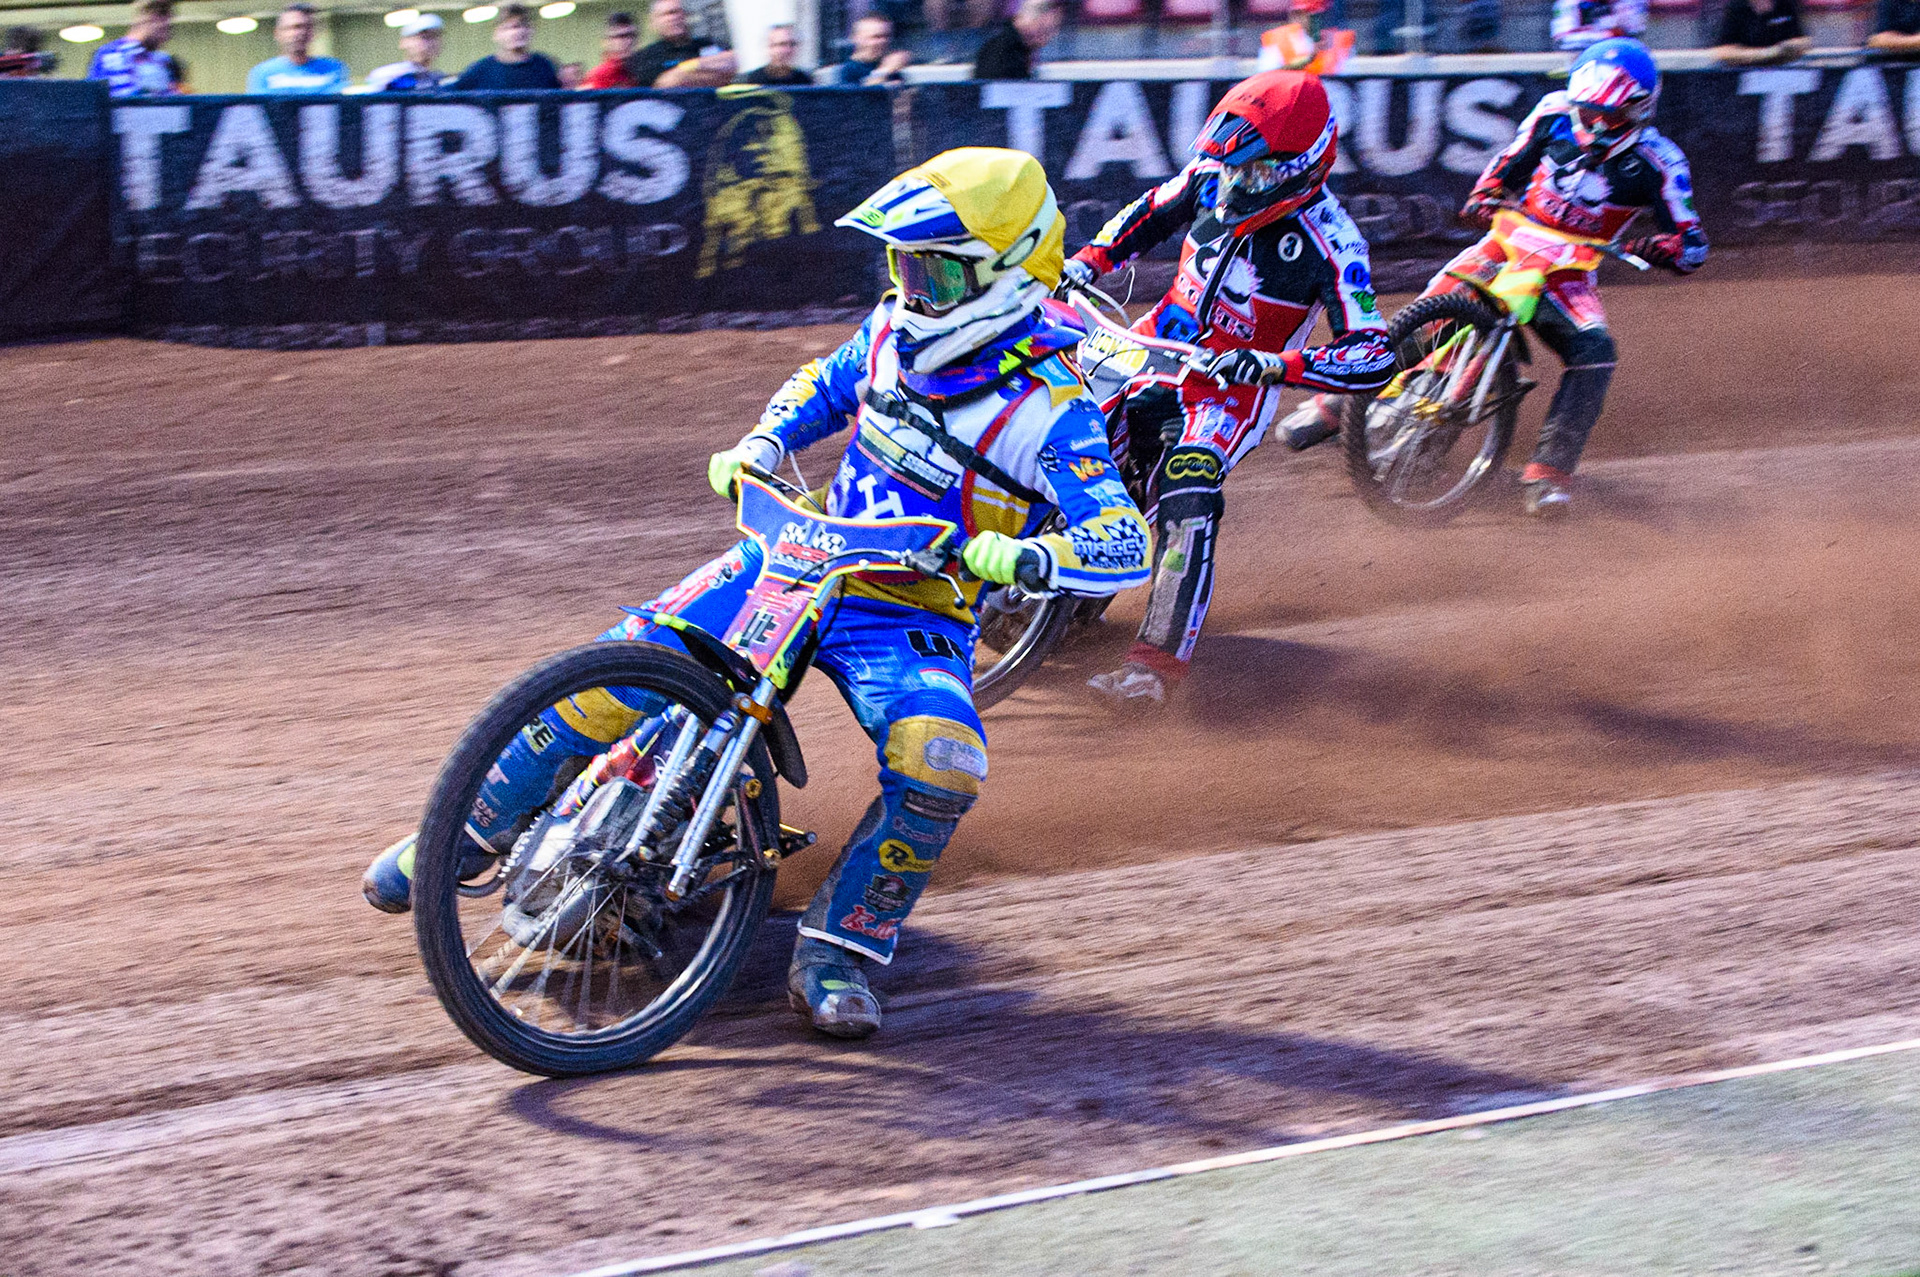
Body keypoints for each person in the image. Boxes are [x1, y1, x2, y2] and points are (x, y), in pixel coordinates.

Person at [362, 147, 1152, 1041]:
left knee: (943, 756)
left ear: (1003, 275)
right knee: (626, 660)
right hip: (803, 554)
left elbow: (1123, 537)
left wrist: (1031, 558)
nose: (911, 289)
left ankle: (840, 947)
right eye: (903, 266)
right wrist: (764, 442)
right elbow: (823, 383)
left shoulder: (1051, 406)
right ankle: (458, 838)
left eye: (933, 272)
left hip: (912, 609)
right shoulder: (891, 333)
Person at [1056, 71, 1394, 709]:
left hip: (1229, 391)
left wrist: (1274, 365)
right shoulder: (1214, 176)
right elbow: (1149, 212)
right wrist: (1087, 263)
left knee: (1187, 490)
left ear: (1304, 165)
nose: (1237, 184)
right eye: (1233, 166)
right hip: (1150, 346)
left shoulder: (1334, 241)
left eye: (1257, 172)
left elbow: (1373, 355)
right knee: (1056, 425)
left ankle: (1153, 669)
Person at [1421, 37, 1705, 516]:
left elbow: (1693, 244)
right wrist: (1485, 193)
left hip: (1567, 273)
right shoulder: (1553, 113)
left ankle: (1549, 474)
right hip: (1508, 243)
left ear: (1640, 110)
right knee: (1435, 309)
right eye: (1587, 112)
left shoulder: (1661, 161)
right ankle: (1341, 405)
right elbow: (1507, 164)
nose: (1595, 125)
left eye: (1609, 116)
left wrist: (1660, 248)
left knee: (1596, 352)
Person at [626, 0, 735, 88]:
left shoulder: (707, 44)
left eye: (678, 12)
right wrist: (713, 68)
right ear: (654, 22)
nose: (673, 18)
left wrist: (684, 69)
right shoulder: (646, 56)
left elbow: (734, 62)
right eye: (666, 14)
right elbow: (669, 83)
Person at [246, 3, 350, 93]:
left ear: (313, 32)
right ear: (277, 33)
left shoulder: (333, 69)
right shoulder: (263, 73)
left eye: (305, 27)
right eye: (291, 28)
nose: (298, 33)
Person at [453, 4, 562, 89]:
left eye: (523, 26)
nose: (518, 32)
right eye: (509, 27)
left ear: (531, 30)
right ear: (496, 34)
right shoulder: (479, 71)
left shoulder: (545, 66)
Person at [86, 0, 180, 97]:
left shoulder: (163, 60)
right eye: (164, 29)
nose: (166, 37)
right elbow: (95, 99)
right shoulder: (110, 54)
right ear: (146, 19)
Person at [972, 0, 1061, 79]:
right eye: (1047, 30)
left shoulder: (1022, 51)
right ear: (1039, 21)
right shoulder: (1003, 55)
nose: (1050, 37)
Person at [366, 13, 452, 91]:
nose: (431, 43)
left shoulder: (440, 80)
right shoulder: (387, 77)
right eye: (424, 37)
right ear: (404, 42)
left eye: (436, 37)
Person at [1712, 0, 1810, 64]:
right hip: (1747, 72)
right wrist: (1770, 53)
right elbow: (1724, 51)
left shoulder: (1786, 4)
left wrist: (1794, 46)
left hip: (1785, 69)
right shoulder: (1736, 7)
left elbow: (1802, 39)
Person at [824, 15, 912, 84]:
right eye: (876, 37)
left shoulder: (893, 68)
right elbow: (857, 96)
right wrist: (885, 71)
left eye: (887, 36)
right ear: (857, 39)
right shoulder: (845, 71)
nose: (883, 41)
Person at [1550, 0, 1645, 50]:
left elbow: (1634, 30)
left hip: (1620, 54)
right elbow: (1563, 39)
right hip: (1579, 57)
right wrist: (1606, 34)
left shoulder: (1626, 2)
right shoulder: (1568, 3)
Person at [579, 11, 639, 88]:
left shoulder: (644, 70)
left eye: (630, 35)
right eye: (618, 36)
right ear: (606, 42)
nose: (627, 41)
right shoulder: (598, 76)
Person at [740, 22, 812, 84]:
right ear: (769, 47)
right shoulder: (750, 81)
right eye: (782, 44)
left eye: (792, 44)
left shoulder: (805, 81)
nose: (787, 50)